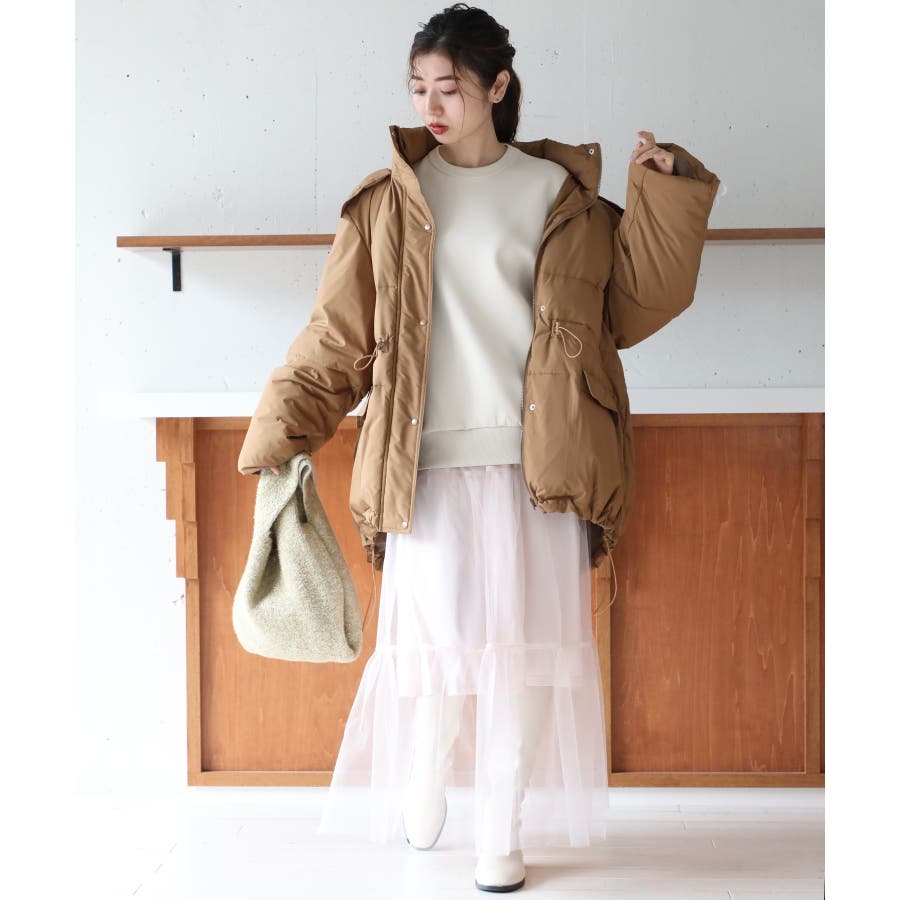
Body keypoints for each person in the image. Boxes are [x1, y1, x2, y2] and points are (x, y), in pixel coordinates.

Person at [241, 4, 719, 892]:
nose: (431, 105)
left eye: (450, 88)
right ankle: (424, 777)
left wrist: (665, 192)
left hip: (546, 462)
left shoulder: (561, 194)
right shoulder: (387, 203)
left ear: (498, 86)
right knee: (435, 652)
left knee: (532, 658)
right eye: (418, 88)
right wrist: (281, 429)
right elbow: (338, 339)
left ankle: (502, 827)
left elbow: (635, 306)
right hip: (424, 466)